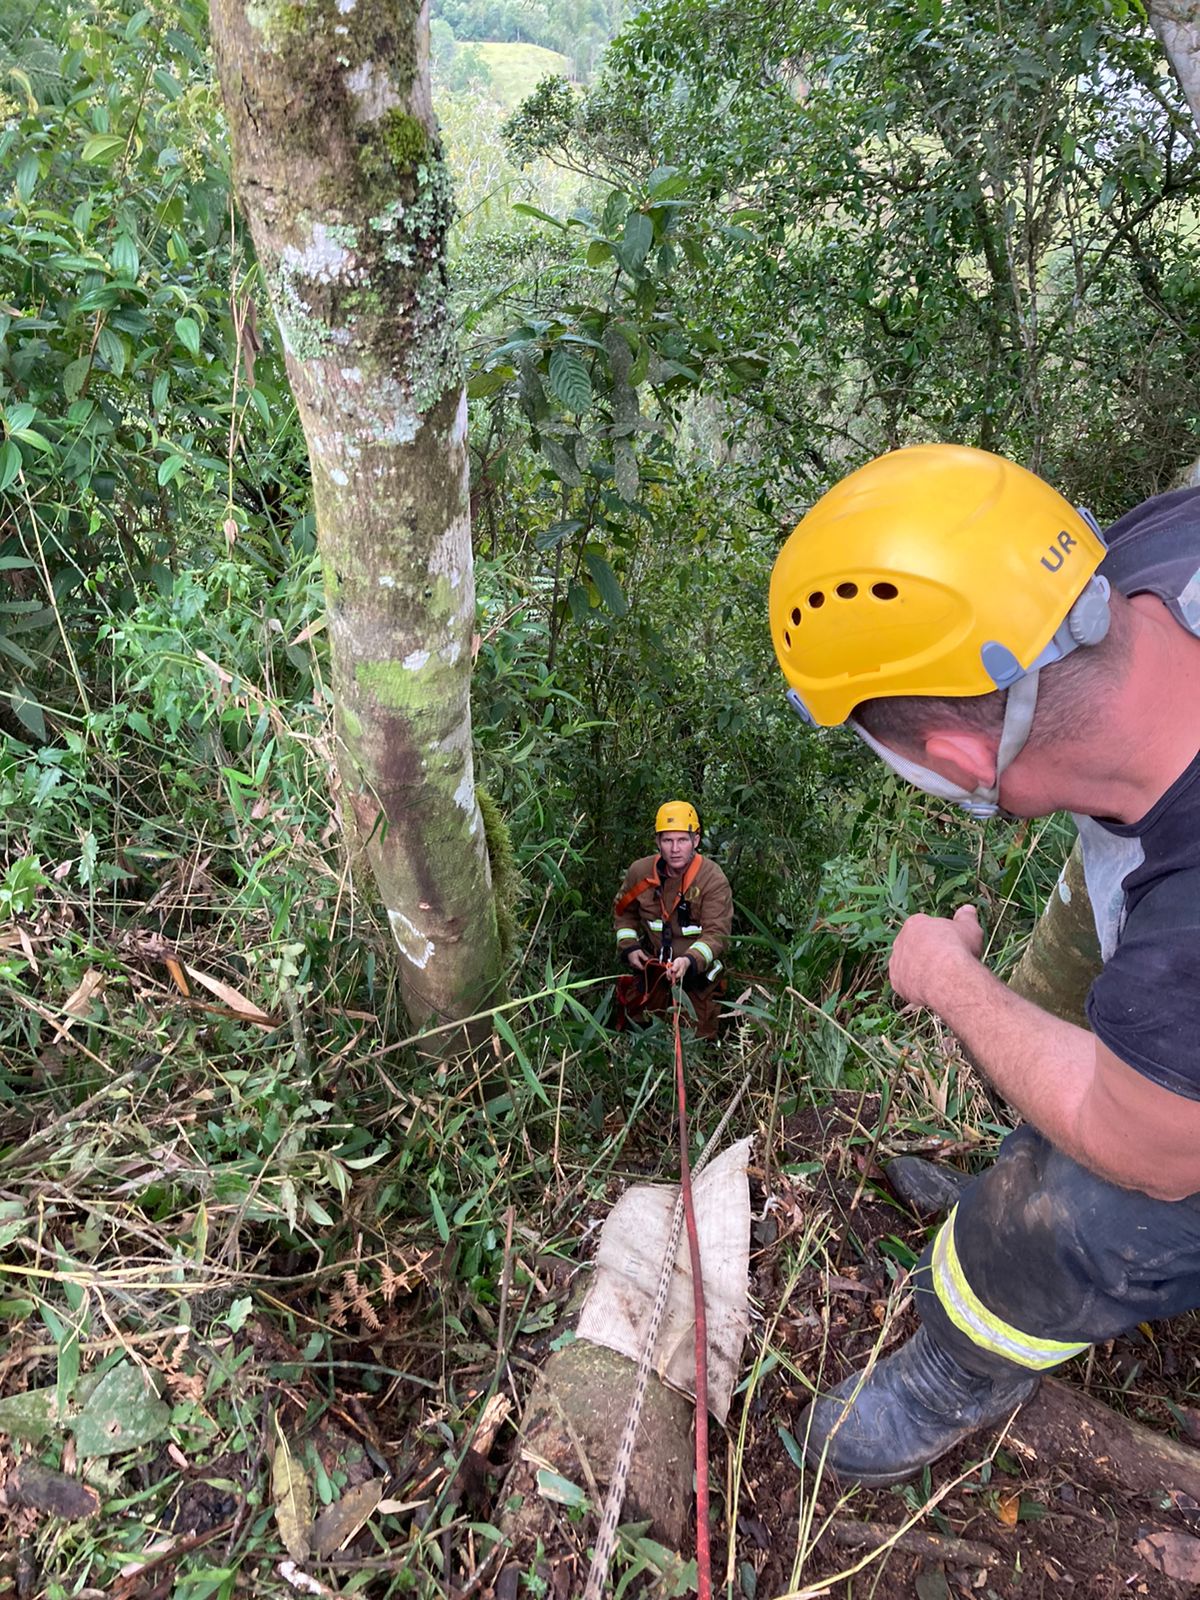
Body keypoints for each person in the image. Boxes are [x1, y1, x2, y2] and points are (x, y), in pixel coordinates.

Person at [767, 442, 1200, 1486]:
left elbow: (1151, 1145)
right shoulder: (1161, 547)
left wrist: (950, 980)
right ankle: (1010, 1176)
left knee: (1098, 1201)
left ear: (960, 760)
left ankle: (956, 1366)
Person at [613, 801, 733, 1040]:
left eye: (682, 840)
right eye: (667, 841)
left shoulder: (712, 880)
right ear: (658, 842)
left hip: (695, 978)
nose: (675, 849)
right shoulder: (640, 872)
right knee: (638, 1035)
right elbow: (623, 912)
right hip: (653, 973)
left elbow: (717, 934)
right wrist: (629, 946)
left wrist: (689, 961)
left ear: (696, 841)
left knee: (695, 1041)